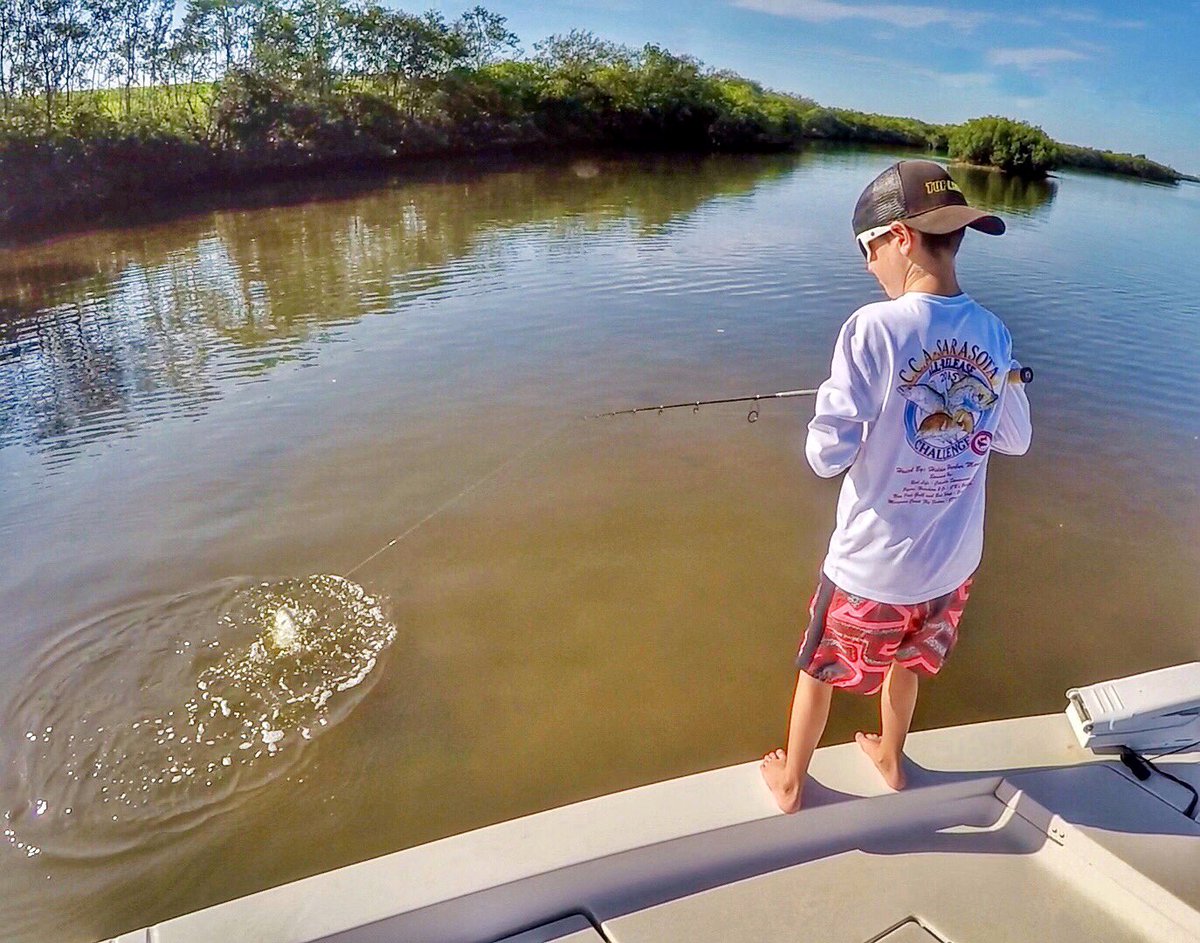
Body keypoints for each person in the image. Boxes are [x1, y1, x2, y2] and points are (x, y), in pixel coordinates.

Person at [760, 159, 1032, 813]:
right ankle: (890, 754)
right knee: (907, 662)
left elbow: (825, 454)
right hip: (949, 568)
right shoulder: (995, 334)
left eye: (868, 247)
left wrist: (839, 403)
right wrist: (1010, 378)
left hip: (869, 566)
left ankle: (793, 779)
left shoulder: (871, 328)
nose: (866, 264)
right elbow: (1015, 437)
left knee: (820, 666)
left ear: (901, 238)